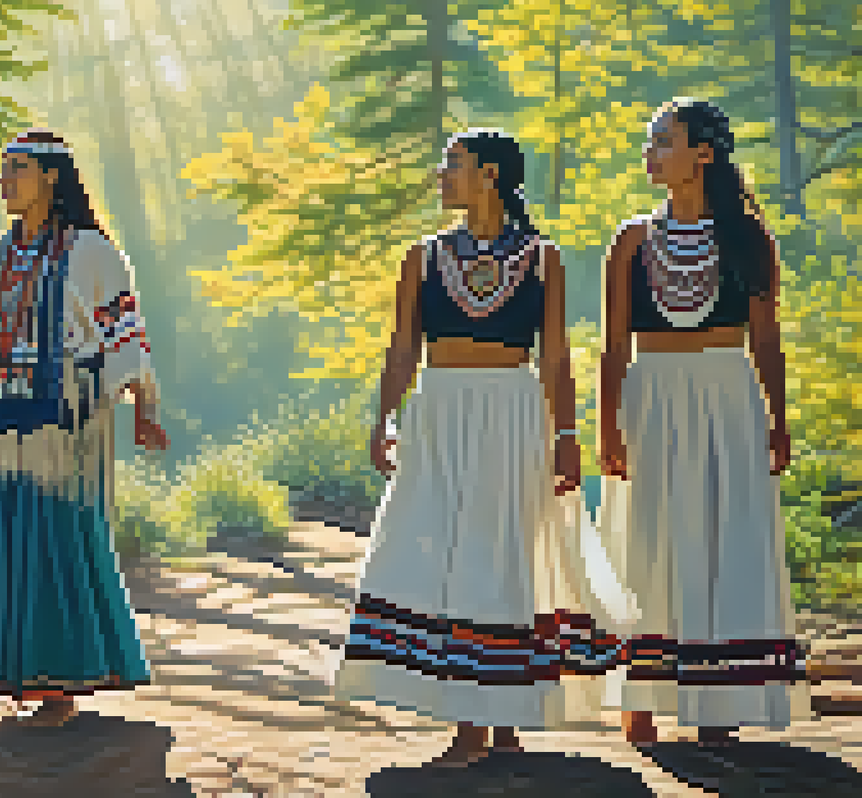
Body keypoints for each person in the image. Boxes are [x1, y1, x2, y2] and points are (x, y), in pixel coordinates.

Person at [332, 130, 632, 767]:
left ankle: (493, 721)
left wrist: (566, 435)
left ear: (490, 175)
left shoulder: (542, 257)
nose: (443, 175)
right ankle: (478, 719)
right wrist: (386, 418)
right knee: (438, 544)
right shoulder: (422, 256)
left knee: (500, 551)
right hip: (438, 409)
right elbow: (403, 346)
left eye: (454, 165)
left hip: (510, 408)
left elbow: (554, 354)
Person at [0, 129, 169, 728]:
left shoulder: (88, 251)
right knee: (4, 543)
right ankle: (18, 672)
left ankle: (61, 681)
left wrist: (145, 406)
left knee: (58, 536)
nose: (4, 179)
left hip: (66, 419)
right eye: (2, 169)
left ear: (52, 177)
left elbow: (125, 331)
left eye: (18, 168)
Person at [596, 99, 807, 748]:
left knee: (725, 533)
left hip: (728, 394)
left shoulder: (748, 239)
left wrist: (778, 420)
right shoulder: (632, 240)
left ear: (704, 154)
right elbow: (613, 347)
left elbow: (765, 342)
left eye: (664, 141)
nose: (650, 152)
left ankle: (720, 701)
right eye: (649, 141)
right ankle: (643, 700)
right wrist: (607, 429)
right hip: (651, 395)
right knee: (651, 537)